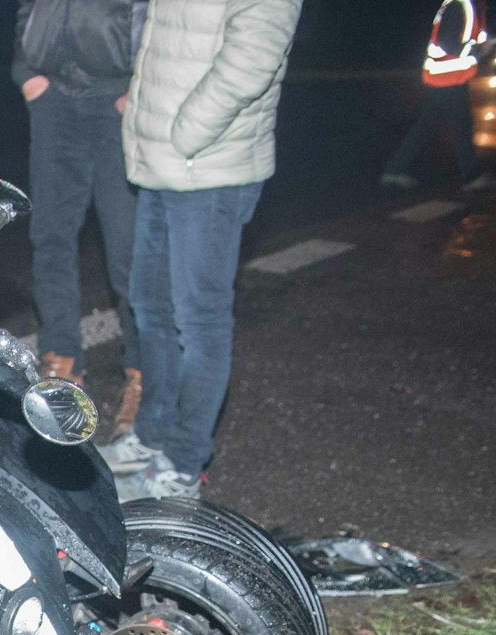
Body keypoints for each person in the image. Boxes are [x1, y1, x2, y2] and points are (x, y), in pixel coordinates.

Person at [98, 0, 304, 501]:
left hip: (210, 167)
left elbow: (253, 56)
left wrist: (184, 131)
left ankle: (183, 466)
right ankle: (150, 438)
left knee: (199, 321)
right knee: (149, 305)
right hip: (162, 163)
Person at [12, 0, 147, 432]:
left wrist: (141, 87)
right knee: (49, 235)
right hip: (55, 101)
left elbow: (163, 17)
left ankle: (143, 375)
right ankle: (62, 358)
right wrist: (25, 73)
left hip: (118, 101)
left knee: (127, 248)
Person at [382, 0, 496, 192]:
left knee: (427, 126)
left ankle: (394, 170)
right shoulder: (461, 6)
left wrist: (480, 48)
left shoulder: (466, 6)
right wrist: (478, 51)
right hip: (449, 78)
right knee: (462, 127)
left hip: (448, 77)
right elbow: (447, 42)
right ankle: (471, 177)